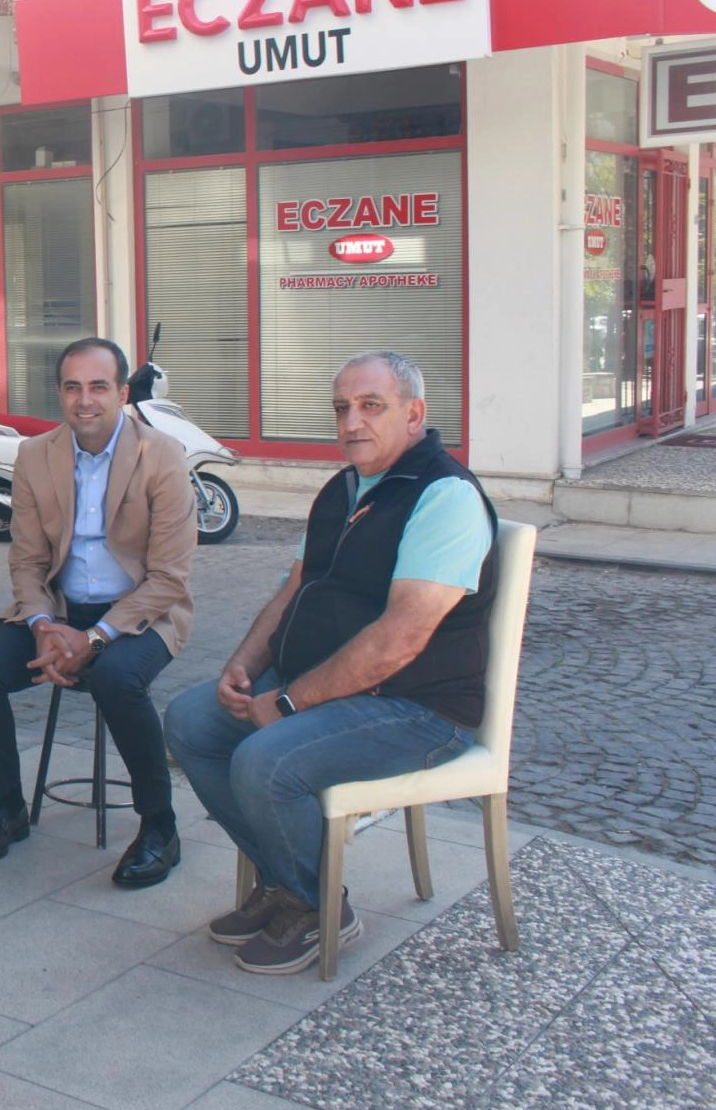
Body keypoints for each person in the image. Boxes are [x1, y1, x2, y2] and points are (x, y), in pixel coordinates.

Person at [164, 351, 495, 976]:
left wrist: (289, 702)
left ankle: (319, 907)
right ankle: (285, 881)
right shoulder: (343, 488)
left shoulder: (443, 496)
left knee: (265, 760)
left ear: (414, 414)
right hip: (333, 690)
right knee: (191, 721)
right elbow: (295, 587)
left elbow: (400, 638)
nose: (352, 422)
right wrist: (242, 665)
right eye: (342, 408)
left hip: (417, 708)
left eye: (372, 406)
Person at [0, 336, 196, 887]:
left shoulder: (161, 455)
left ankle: (159, 824)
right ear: (60, 393)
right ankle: (7, 805)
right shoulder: (35, 455)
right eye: (72, 387)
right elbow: (27, 561)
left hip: (141, 613)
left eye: (98, 387)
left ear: (122, 393)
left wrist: (96, 638)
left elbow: (169, 577)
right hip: (59, 609)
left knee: (115, 679)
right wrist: (43, 626)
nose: (85, 400)